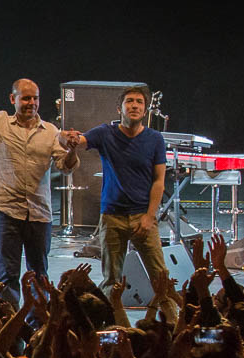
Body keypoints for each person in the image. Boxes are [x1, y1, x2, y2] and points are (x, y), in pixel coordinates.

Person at [0, 78, 79, 305]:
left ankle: (38, 328)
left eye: (35, 98)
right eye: (26, 98)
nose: (31, 103)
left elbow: (66, 167)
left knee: (40, 276)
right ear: (13, 99)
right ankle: (10, 328)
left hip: (39, 215)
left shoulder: (51, 132)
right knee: (8, 277)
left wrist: (71, 151)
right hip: (8, 211)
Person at [61, 86, 174, 316]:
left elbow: (159, 181)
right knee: (111, 280)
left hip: (143, 217)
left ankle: (174, 326)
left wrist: (150, 217)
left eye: (139, 102)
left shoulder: (154, 139)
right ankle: (110, 327)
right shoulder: (105, 133)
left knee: (161, 278)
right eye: (129, 101)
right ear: (119, 108)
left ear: (145, 109)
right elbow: (80, 141)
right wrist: (70, 139)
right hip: (112, 217)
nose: (134, 105)